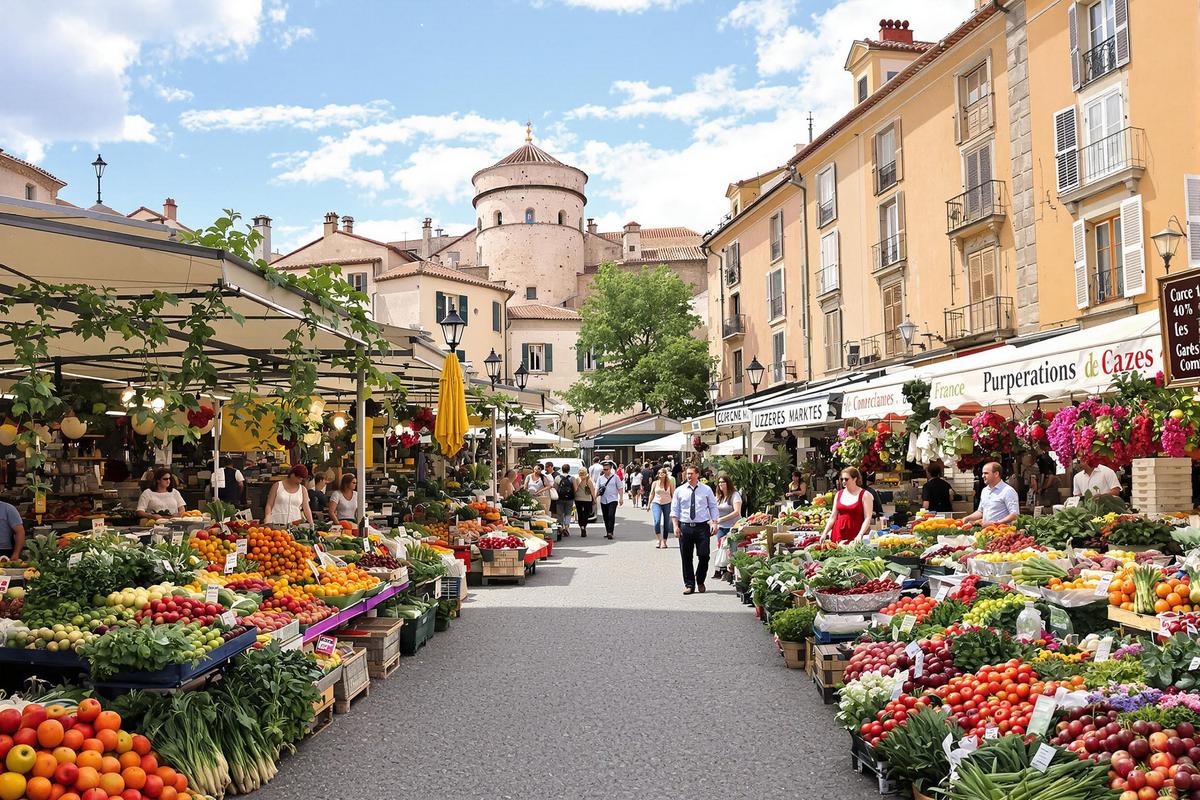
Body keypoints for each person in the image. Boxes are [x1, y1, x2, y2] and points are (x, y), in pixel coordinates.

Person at [671, 464, 719, 594]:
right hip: (685, 526)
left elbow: (713, 506)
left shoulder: (706, 489)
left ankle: (700, 579)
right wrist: (675, 526)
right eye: (687, 474)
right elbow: (675, 510)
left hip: (702, 527)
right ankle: (689, 584)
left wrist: (714, 522)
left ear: (697, 475)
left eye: (691, 474)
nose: (689, 476)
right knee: (686, 557)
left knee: (704, 555)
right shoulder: (679, 490)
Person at [821, 467, 874, 544]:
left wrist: (860, 534)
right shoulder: (838, 494)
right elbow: (833, 516)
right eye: (842, 479)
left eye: (846, 479)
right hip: (838, 533)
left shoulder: (865, 495)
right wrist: (824, 533)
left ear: (855, 479)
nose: (843, 481)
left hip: (856, 534)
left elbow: (868, 518)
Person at [595, 460, 624, 539]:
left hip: (613, 499)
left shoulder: (615, 477)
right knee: (605, 517)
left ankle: (610, 532)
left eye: (607, 469)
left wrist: (621, 498)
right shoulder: (600, 478)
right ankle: (608, 531)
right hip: (603, 500)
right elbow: (597, 488)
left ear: (610, 469)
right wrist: (594, 497)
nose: (605, 471)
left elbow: (620, 488)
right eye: (604, 469)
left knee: (611, 515)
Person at [714, 473, 743, 547]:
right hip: (721, 528)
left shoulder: (735, 495)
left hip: (733, 527)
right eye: (719, 482)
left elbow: (737, 512)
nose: (720, 484)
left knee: (733, 549)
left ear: (728, 483)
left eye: (723, 482)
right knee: (721, 548)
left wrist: (721, 519)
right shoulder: (718, 496)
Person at [649, 468, 675, 549]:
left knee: (666, 523)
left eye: (663, 472)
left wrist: (674, 505)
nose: (661, 474)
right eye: (660, 472)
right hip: (656, 503)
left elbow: (673, 494)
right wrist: (648, 504)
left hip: (667, 503)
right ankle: (658, 539)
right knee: (657, 521)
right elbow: (652, 493)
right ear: (658, 474)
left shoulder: (669, 483)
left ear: (665, 474)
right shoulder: (655, 483)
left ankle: (664, 541)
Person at [572, 466, 596, 537]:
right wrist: (594, 499)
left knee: (580, 513)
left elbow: (575, 489)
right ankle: (584, 526)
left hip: (578, 499)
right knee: (586, 514)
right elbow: (592, 490)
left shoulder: (577, 479)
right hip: (587, 499)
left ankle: (581, 526)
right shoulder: (589, 480)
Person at [556, 464, 575, 535]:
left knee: (560, 513)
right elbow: (575, 488)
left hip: (560, 498)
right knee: (568, 513)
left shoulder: (558, 478)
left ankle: (561, 527)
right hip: (569, 499)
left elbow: (555, 488)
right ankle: (567, 526)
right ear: (569, 470)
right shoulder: (572, 478)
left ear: (562, 469)